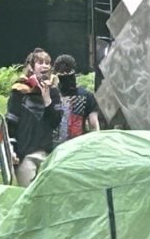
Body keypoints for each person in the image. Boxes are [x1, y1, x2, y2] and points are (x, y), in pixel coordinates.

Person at [6, 48, 63, 187]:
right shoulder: (19, 90)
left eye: (47, 63)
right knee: (27, 196)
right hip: (25, 153)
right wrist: (11, 150)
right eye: (40, 62)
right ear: (31, 67)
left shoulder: (54, 91)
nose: (45, 66)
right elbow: (11, 123)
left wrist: (47, 99)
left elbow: (55, 122)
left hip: (48, 154)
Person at [51, 54, 99, 147]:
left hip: (56, 150)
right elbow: (94, 125)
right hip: (78, 149)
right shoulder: (86, 95)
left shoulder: (50, 95)